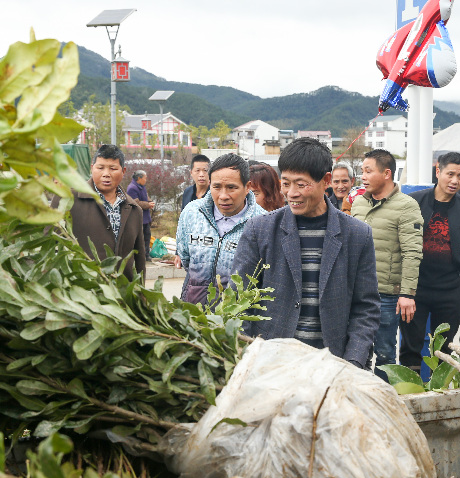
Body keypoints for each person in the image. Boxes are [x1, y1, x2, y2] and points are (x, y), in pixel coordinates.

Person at [230, 137, 380, 368]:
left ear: (326, 181)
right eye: (286, 183)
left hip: (332, 364)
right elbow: (239, 299)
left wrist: (354, 362)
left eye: (301, 184)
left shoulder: (357, 235)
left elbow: (366, 308)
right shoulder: (260, 230)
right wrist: (246, 355)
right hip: (271, 362)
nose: (291, 193)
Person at [400, 152, 460, 372]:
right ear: (438, 172)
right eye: (450, 174)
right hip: (416, 288)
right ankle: (409, 393)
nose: (455, 181)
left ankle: (439, 395)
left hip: (450, 290)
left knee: (443, 348)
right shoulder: (414, 201)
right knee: (410, 346)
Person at [351, 149, 423, 381]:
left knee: (385, 353)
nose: (363, 176)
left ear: (387, 173)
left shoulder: (406, 206)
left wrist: (407, 293)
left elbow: (413, 252)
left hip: (387, 294)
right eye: (362, 171)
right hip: (356, 291)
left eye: (368, 171)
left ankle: (383, 399)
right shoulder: (358, 203)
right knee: (355, 349)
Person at [174, 153, 266, 304]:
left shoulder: (262, 222)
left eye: (231, 187)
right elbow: (185, 258)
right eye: (216, 187)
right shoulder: (192, 213)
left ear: (247, 187)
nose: (223, 196)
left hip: (236, 319)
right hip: (192, 312)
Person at [52, 144, 146, 279]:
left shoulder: (134, 210)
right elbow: (51, 244)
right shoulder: (67, 199)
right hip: (82, 293)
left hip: (122, 295)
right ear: (92, 168)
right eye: (100, 168)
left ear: (123, 171)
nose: (106, 174)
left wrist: (140, 297)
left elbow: (140, 260)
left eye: (113, 168)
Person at [126, 170, 155, 260]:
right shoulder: (132, 188)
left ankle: (146, 255)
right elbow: (135, 202)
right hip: (138, 218)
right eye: (145, 178)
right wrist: (147, 205)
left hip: (145, 218)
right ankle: (139, 256)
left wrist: (150, 202)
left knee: (147, 237)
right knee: (140, 239)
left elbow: (146, 196)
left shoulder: (142, 186)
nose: (146, 179)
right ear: (139, 178)